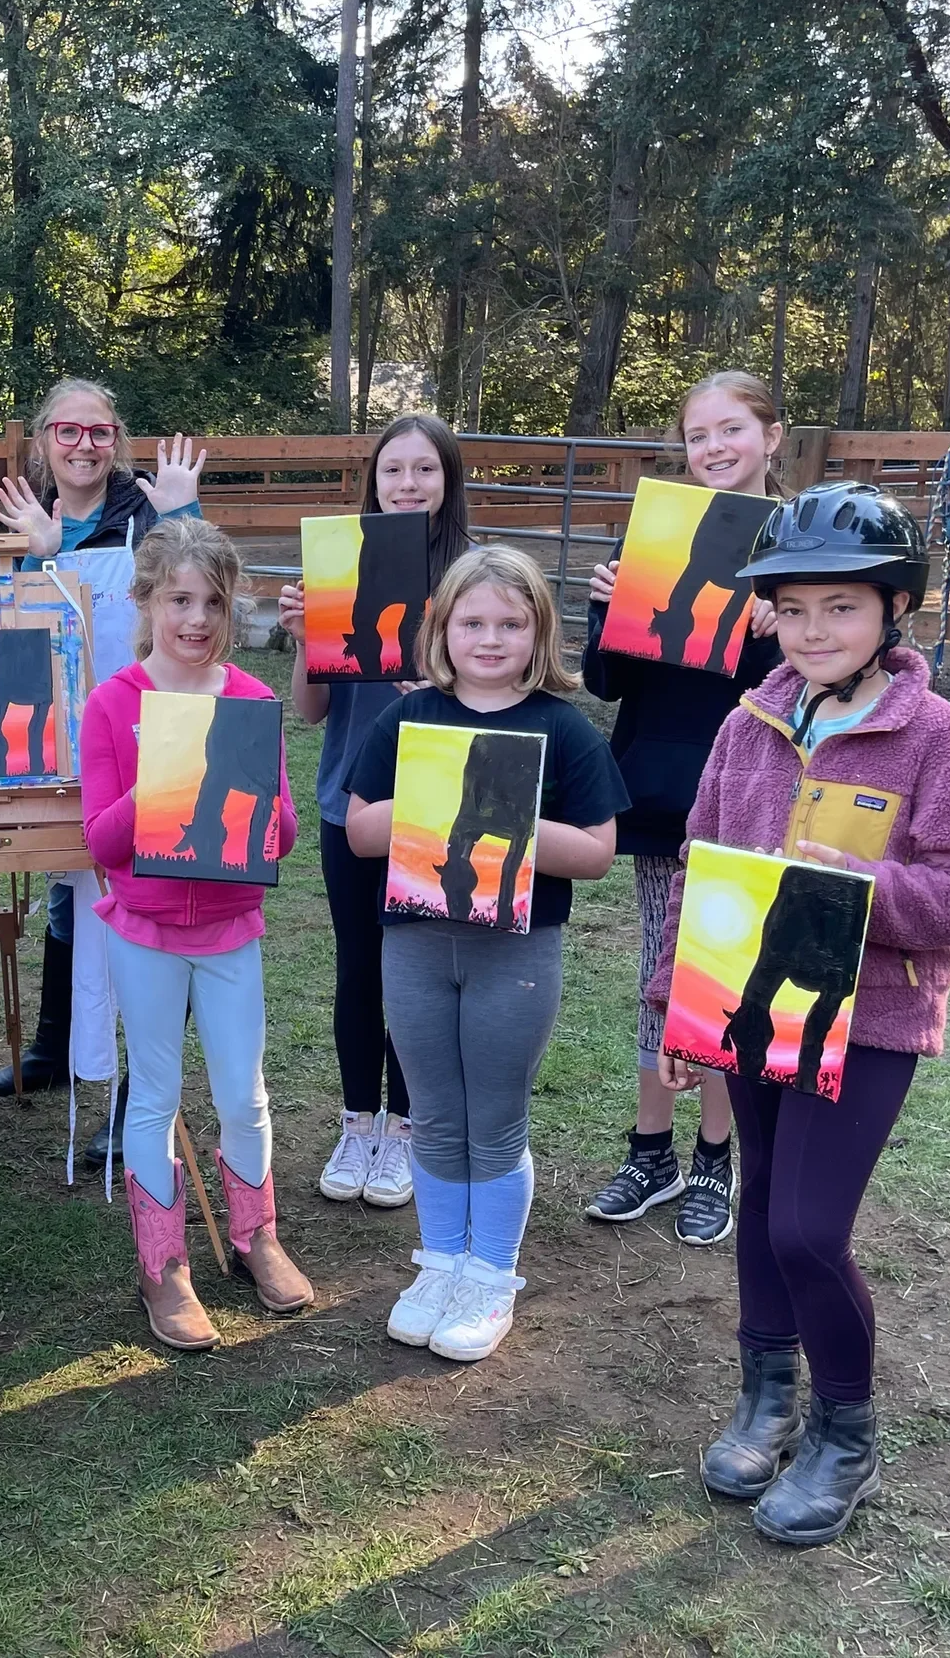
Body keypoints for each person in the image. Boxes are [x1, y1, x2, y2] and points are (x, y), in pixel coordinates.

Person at [651, 484, 950, 1547]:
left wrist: (860, 894)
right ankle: (765, 1394)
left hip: (873, 1021)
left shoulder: (939, 740)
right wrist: (674, 1011)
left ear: (893, 610)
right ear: (767, 611)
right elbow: (697, 864)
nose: (815, 630)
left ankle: (843, 1432)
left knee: (810, 1228)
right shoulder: (748, 722)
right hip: (752, 1011)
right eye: (795, 607)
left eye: (842, 608)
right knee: (763, 1204)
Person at [345, 547, 626, 1363]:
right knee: (433, 1111)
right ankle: (441, 1265)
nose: (491, 639)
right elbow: (362, 831)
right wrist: (432, 800)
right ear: (443, 629)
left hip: (517, 953)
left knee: (495, 1117)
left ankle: (490, 1277)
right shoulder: (408, 720)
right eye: (473, 622)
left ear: (540, 633)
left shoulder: (564, 730)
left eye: (511, 623)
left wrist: (507, 810)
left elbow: (599, 850)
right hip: (418, 945)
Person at [78, 517, 309, 1350]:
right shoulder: (112, 704)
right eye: (179, 599)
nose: (197, 619)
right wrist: (163, 780)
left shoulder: (249, 701)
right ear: (146, 602)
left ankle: (256, 1235)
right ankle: (163, 1265)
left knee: (244, 1092)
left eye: (214, 601)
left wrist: (264, 808)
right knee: (156, 1095)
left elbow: (279, 833)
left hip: (228, 929)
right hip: (143, 929)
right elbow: (100, 839)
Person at [582, 371, 789, 1247]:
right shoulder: (659, 539)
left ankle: (716, 1157)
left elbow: (813, 687)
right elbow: (607, 683)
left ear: (771, 437)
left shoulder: (801, 550)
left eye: (731, 428)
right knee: (660, 979)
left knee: (725, 977)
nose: (713, 447)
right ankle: (651, 1151)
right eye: (698, 433)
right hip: (667, 796)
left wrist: (782, 630)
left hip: (756, 797)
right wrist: (608, 613)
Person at [0, 378, 207, 1104]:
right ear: (45, 441)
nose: (84, 445)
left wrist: (185, 511)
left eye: (99, 432)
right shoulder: (28, 524)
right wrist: (39, 558)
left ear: (118, 440)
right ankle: (56, 1045)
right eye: (68, 432)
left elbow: (204, 594)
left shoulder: (151, 513)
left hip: (153, 733)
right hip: (60, 737)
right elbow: (10, 638)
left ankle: (144, 1089)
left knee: (154, 907)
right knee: (68, 890)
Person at [275, 414, 470, 1210]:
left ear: (448, 482)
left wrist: (434, 690)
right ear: (373, 481)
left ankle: (407, 1126)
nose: (409, 484)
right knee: (359, 968)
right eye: (395, 470)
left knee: (417, 972)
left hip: (437, 807)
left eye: (426, 470)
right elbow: (311, 711)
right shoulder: (340, 569)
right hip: (347, 800)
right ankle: (359, 1121)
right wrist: (302, 640)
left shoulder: (472, 576)